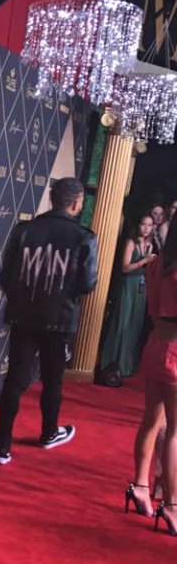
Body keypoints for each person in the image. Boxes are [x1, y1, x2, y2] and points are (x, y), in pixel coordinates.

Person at [0, 177, 98, 465]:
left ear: (53, 199)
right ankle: (49, 433)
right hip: (59, 319)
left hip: (23, 316)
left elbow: (6, 276)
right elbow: (88, 284)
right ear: (76, 204)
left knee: (14, 380)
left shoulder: (24, 230)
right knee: (53, 380)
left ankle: (2, 448)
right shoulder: (84, 237)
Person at [126, 215, 177, 535]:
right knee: (174, 432)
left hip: (156, 344)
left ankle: (140, 486)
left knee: (151, 421)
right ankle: (172, 504)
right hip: (175, 351)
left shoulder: (158, 264)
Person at [98, 215, 156, 380]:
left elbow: (147, 270)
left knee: (135, 325)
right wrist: (144, 261)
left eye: (149, 225)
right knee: (121, 322)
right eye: (143, 224)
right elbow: (125, 267)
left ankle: (126, 365)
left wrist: (150, 264)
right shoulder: (131, 243)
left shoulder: (149, 245)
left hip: (141, 286)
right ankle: (111, 363)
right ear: (138, 225)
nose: (146, 228)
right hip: (128, 284)